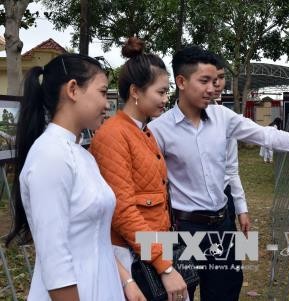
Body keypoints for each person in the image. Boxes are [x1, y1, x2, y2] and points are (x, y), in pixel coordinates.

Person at [148, 46, 289, 301]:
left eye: (215, 80)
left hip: (221, 226)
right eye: (204, 81)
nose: (213, 88)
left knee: (225, 292)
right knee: (179, 293)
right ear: (182, 82)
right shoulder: (158, 131)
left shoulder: (223, 117)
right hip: (183, 229)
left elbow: (266, 135)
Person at [5, 53, 144, 300]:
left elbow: (94, 236)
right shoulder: (51, 156)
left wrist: (126, 280)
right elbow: (55, 258)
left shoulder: (81, 155)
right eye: (102, 92)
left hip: (102, 284)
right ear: (73, 89)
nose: (106, 104)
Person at [89, 37, 188, 301]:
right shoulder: (113, 135)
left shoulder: (144, 131)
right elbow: (122, 210)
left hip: (152, 248)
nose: (166, 99)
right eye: (161, 91)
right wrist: (164, 266)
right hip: (132, 255)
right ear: (136, 91)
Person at [211, 56, 250, 236]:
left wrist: (241, 208)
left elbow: (231, 169)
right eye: (209, 79)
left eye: (221, 77)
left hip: (225, 204)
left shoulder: (225, 118)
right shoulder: (165, 126)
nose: (217, 83)